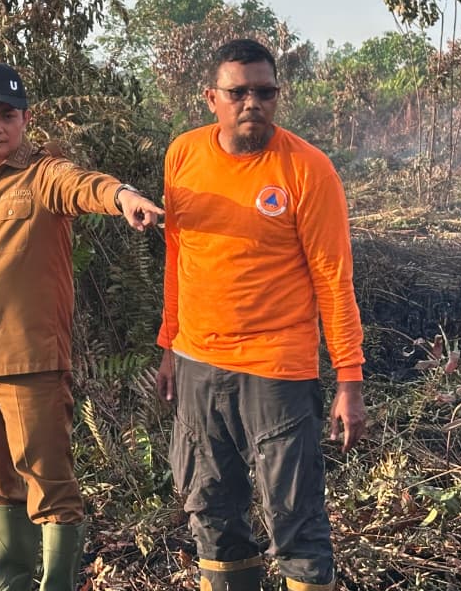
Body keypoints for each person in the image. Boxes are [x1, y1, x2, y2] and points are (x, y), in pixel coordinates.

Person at [0, 62, 165, 591]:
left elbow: (86, 186)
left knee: (49, 485)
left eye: (7, 115)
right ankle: (7, 581)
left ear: (25, 120)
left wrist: (124, 198)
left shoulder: (44, 176)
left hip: (31, 364)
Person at [154, 39, 367, 591]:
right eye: (238, 91)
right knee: (212, 511)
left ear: (278, 95)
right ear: (211, 98)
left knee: (294, 516)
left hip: (277, 368)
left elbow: (334, 279)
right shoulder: (183, 155)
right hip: (198, 361)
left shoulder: (308, 170)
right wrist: (169, 344)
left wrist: (349, 378)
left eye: (265, 91)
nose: (252, 102)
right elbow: (179, 256)